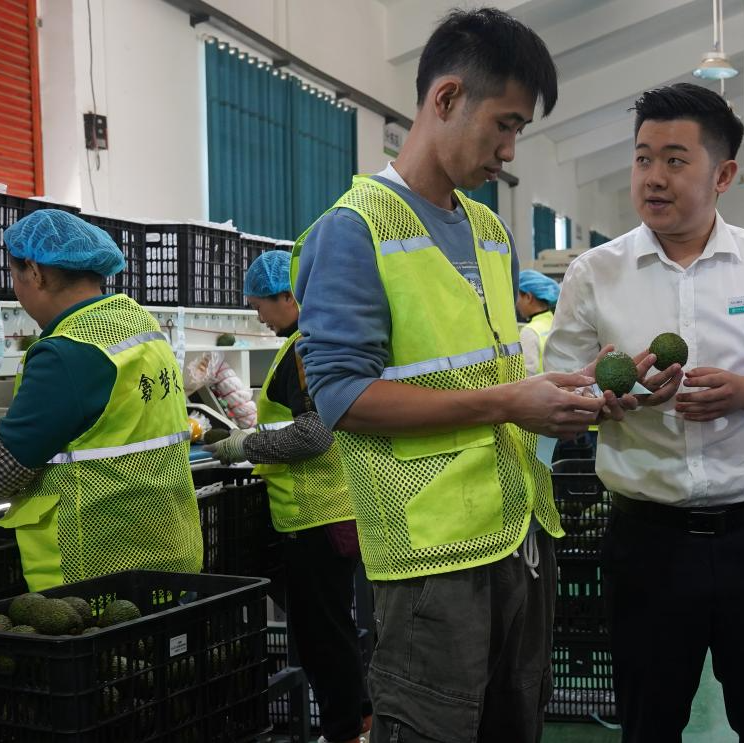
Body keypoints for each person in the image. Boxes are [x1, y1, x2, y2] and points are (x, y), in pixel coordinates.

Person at [290, 8, 642, 742]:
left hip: (519, 534)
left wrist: (578, 393)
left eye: (520, 131)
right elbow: (343, 398)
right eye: (504, 125)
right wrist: (510, 403)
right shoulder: (354, 231)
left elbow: (491, 368)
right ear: (446, 98)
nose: (509, 152)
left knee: (516, 720)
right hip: (430, 562)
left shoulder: (489, 230)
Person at [544, 82, 744, 742]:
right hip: (647, 544)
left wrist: (742, 393)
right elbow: (562, 394)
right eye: (643, 158)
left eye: (675, 160)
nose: (653, 177)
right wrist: (604, 401)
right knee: (649, 723)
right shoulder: (595, 272)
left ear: (723, 175)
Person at [0, 209, 202, 590]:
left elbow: (0, 465)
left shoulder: (68, 352)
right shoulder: (138, 323)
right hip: (169, 555)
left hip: (97, 571)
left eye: (14, 276)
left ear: (35, 271)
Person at [206, 249, 372, 743]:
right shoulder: (307, 343)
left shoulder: (304, 350)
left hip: (317, 512)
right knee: (329, 626)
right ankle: (358, 718)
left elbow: (315, 434)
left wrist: (243, 445)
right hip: (324, 508)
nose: (257, 315)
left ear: (288, 296)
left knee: (323, 634)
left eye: (259, 304)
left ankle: (346, 730)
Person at [517, 269, 560, 375]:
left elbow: (526, 375)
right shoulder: (558, 323)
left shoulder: (529, 332)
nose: (516, 303)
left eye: (517, 297)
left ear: (528, 297)